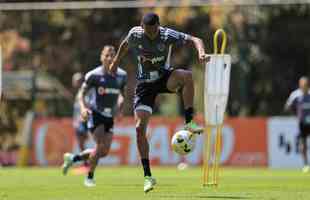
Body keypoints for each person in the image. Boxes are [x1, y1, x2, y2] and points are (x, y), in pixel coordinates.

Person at [109, 12, 208, 193]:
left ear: (159, 27)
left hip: (164, 78)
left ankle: (189, 122)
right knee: (139, 129)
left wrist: (201, 53)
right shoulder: (135, 34)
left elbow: (196, 39)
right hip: (144, 86)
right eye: (148, 31)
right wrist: (116, 62)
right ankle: (148, 177)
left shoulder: (166, 35)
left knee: (186, 76)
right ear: (142, 26)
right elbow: (124, 45)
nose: (151, 35)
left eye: (154, 31)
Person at [62, 45, 127, 187]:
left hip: (109, 116)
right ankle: (89, 177)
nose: (110, 58)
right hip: (95, 113)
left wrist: (120, 107)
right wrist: (83, 109)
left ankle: (73, 158)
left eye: (112, 55)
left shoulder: (122, 75)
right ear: (101, 57)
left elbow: (123, 94)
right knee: (100, 145)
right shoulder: (94, 75)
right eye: (107, 55)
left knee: (103, 152)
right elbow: (81, 94)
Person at [285, 76, 310, 173]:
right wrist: (296, 113)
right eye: (303, 83)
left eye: (306, 83)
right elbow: (288, 106)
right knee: (303, 143)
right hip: (302, 123)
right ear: (300, 84)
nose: (304, 85)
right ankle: (306, 164)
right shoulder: (295, 95)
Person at [72, 72, 89, 166]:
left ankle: (87, 163)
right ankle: (86, 162)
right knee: (81, 144)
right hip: (78, 121)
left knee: (81, 143)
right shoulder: (79, 92)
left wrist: (82, 119)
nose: (74, 82)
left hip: (82, 121)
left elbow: (86, 107)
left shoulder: (84, 92)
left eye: (76, 80)